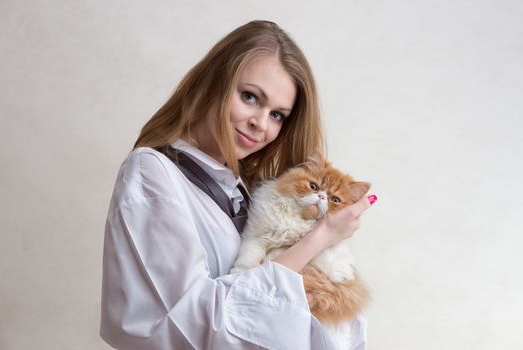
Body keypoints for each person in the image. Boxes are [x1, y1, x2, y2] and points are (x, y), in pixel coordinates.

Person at [100, 20, 377, 350]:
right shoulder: (153, 172)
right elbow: (190, 322)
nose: (260, 124)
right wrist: (321, 238)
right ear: (213, 83)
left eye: (277, 115)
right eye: (250, 97)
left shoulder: (240, 190)